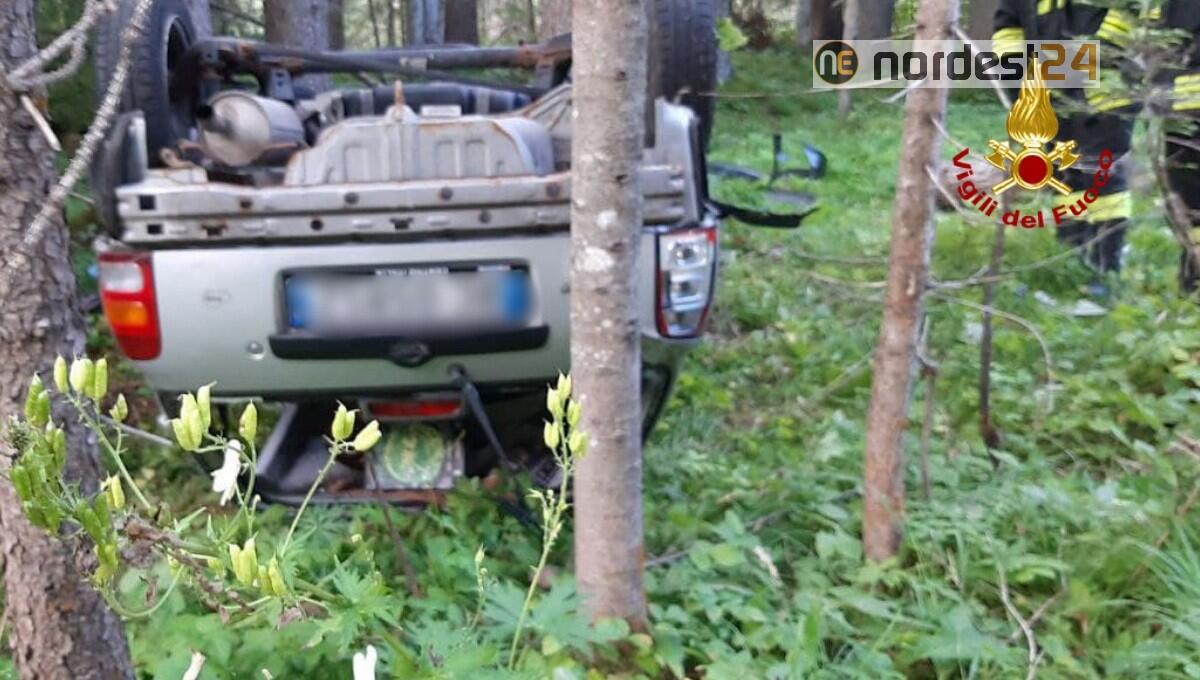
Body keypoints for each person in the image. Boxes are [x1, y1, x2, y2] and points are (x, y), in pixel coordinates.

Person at [992, 0, 1136, 278]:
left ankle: (1106, 269)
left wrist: (1103, 57)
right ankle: (1073, 265)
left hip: (1107, 82)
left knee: (1101, 173)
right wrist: (1016, 83)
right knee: (1065, 176)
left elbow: (1131, 11)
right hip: (1051, 87)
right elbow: (1007, 28)